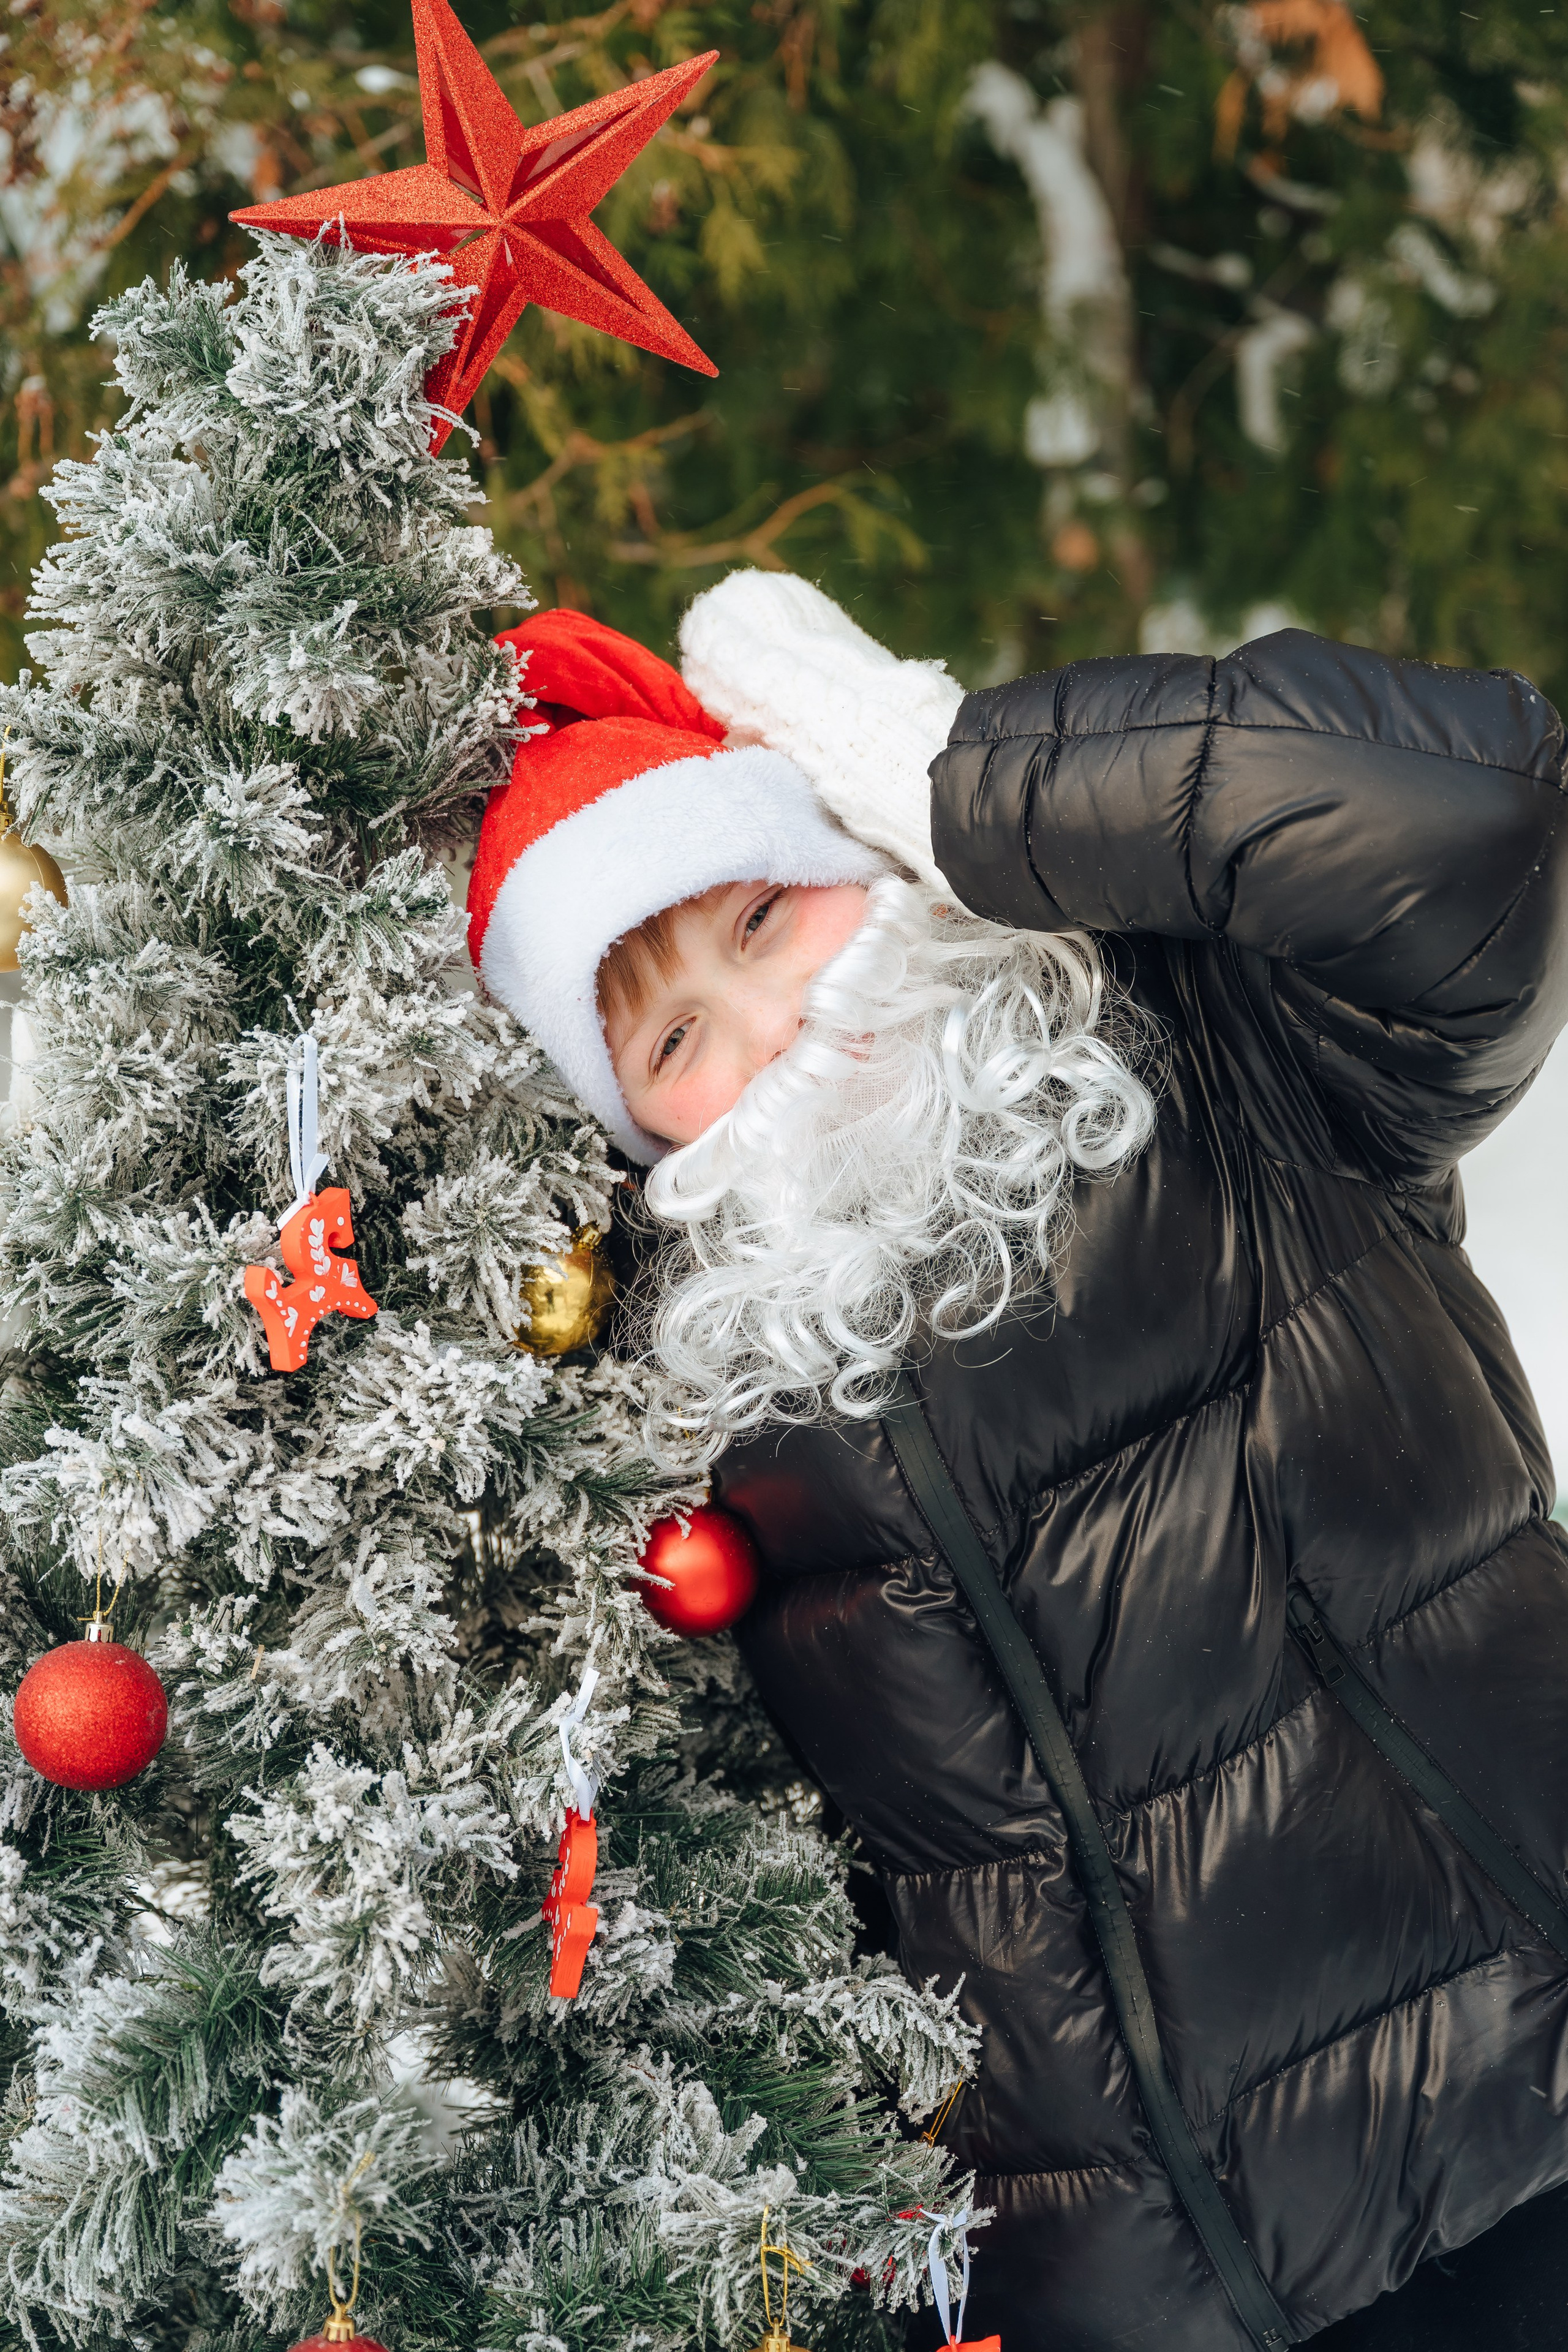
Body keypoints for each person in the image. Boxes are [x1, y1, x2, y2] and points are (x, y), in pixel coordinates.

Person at [467, 575, 1568, 2351]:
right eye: (670, 1041)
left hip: (1524, 2118)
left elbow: (1481, 824)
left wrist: (970, 775)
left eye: (766, 912)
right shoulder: (691, 1406)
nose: (775, 1035)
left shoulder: (1232, 1054)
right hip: (1146, 2292)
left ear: (871, 859)